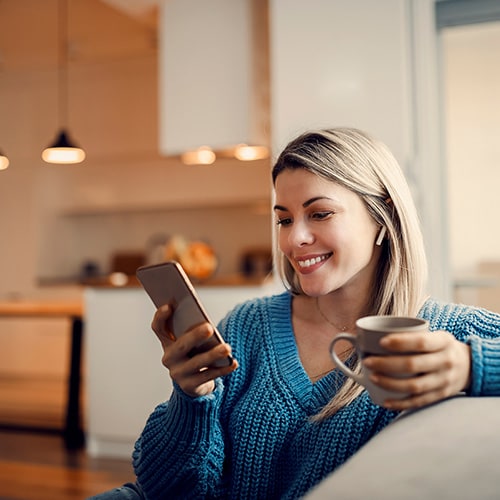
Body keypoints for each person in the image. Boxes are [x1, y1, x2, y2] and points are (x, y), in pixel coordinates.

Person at [90, 128, 500, 500]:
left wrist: (469, 364)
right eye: (284, 219)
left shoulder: (445, 331)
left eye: (319, 213)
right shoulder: (248, 325)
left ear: (384, 216)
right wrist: (191, 398)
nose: (295, 238)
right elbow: (168, 489)